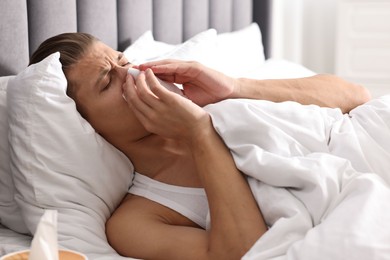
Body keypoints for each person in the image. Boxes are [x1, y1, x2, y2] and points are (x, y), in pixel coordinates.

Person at [29, 32, 371, 260]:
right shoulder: (136, 220)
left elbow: (356, 97)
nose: (130, 73)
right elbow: (246, 252)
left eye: (121, 60)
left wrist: (235, 88)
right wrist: (200, 134)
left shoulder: (212, 100)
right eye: (108, 82)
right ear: (85, 124)